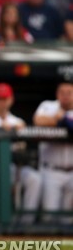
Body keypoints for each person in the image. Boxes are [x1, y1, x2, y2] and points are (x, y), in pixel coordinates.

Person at [0, 83, 42, 223]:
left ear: (11, 99)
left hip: (11, 166)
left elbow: (21, 147)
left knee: (34, 179)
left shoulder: (17, 121)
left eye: (5, 98)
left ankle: (26, 223)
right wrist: (3, 128)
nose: (2, 102)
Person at [33, 80, 73, 223]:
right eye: (62, 93)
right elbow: (38, 120)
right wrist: (59, 121)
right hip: (51, 171)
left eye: (69, 93)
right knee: (49, 218)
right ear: (57, 94)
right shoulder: (48, 105)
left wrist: (63, 119)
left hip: (72, 172)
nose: (66, 96)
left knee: (69, 221)